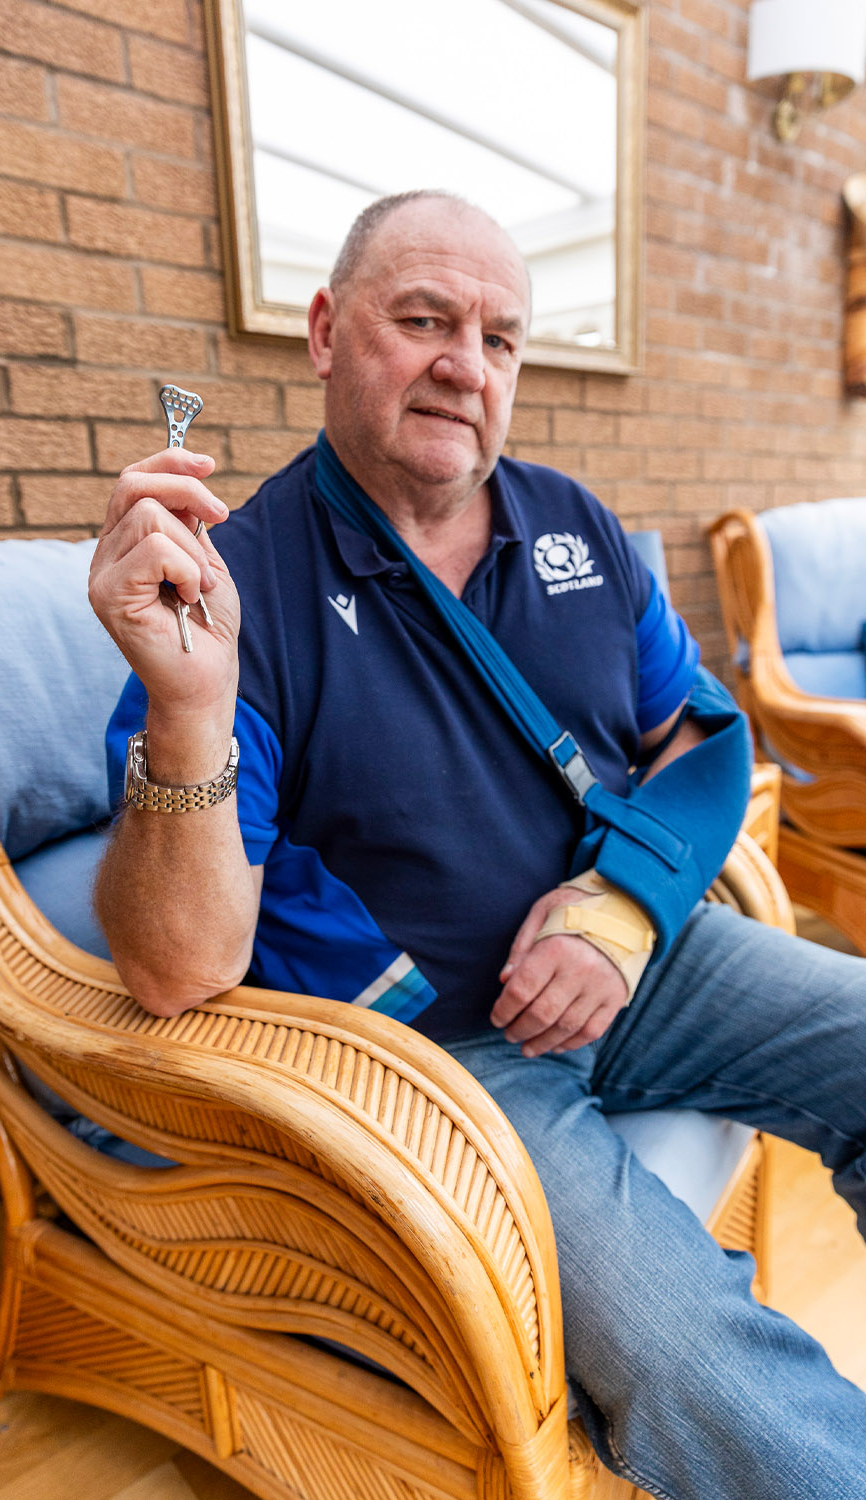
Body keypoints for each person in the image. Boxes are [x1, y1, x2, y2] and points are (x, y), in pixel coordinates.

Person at [89, 191, 866, 1499]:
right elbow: (174, 967)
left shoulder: (580, 530)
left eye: (501, 337)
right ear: (328, 333)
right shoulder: (237, 588)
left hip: (647, 969)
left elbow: (705, 737)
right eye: (425, 319)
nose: (467, 363)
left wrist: (619, 915)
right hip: (442, 1058)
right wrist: (185, 708)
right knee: (694, 1361)